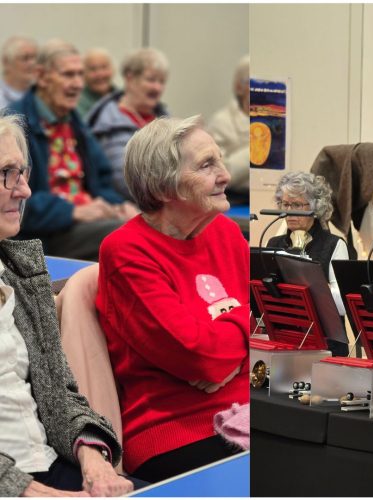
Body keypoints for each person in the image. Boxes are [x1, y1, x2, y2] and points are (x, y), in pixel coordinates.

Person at [95, 115, 249, 483]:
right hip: (174, 431)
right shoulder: (125, 252)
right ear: (163, 188)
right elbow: (198, 355)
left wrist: (229, 345)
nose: (225, 175)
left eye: (220, 160)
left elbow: (268, 320)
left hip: (248, 406)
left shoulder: (225, 232)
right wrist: (239, 340)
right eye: (206, 165)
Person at [0, 114, 137, 497]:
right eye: (6, 174)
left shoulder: (20, 273)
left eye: (23, 172)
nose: (24, 190)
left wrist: (93, 459)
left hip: (49, 465)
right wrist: (37, 494)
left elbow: (60, 393)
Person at [7, 39, 137, 261]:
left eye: (80, 75)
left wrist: (120, 206)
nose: (78, 84)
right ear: (41, 76)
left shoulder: (76, 123)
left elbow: (102, 183)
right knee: (127, 236)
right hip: (45, 234)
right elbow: (13, 196)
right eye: (68, 75)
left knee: (145, 222)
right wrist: (72, 212)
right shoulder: (15, 125)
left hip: (89, 222)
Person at [87, 47, 168, 200]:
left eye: (162, 81)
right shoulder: (109, 122)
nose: (157, 88)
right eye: (151, 80)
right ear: (130, 79)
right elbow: (125, 180)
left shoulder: (165, 117)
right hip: (128, 205)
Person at [267, 171, 349, 309]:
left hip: (321, 327)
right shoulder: (274, 243)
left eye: (297, 205)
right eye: (285, 204)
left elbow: (342, 304)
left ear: (315, 207)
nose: (289, 211)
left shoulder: (335, 245)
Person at [208, 54, 249, 203]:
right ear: (239, 88)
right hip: (233, 201)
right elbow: (220, 173)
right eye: (254, 83)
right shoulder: (222, 122)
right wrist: (258, 148)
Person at [76, 48, 115, 119]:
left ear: (113, 70)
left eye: (104, 67)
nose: (100, 74)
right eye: (93, 69)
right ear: (83, 73)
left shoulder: (123, 97)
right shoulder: (77, 101)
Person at [0, 37, 37, 110]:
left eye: (34, 58)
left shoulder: (38, 94)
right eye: (25, 58)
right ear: (6, 62)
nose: (32, 63)